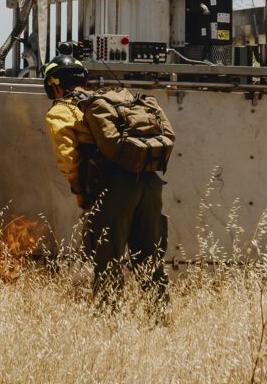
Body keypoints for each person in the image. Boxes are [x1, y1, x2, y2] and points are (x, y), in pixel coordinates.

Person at [43, 49, 174, 303]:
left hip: (113, 188)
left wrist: (80, 192)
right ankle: (160, 318)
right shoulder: (105, 102)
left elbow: (68, 159)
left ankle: (109, 323)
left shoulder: (61, 111)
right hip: (149, 181)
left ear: (55, 86)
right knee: (150, 259)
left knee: (108, 261)